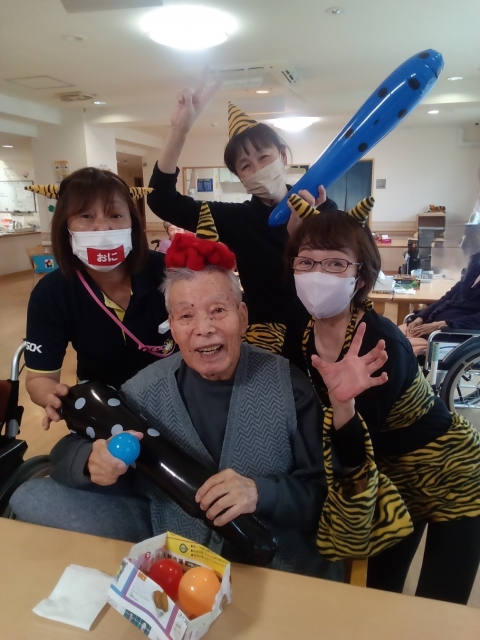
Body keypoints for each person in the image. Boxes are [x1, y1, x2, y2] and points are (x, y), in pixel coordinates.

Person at [11, 220, 386, 580]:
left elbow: (321, 496)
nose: (203, 328)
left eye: (218, 311)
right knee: (30, 496)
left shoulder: (289, 386)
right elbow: (63, 454)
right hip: (179, 574)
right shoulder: (143, 391)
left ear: (242, 316)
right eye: (186, 316)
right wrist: (89, 461)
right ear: (171, 327)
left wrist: (261, 492)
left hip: (278, 569)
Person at [284, 195, 480, 604]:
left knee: (439, 606)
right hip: (390, 476)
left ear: (360, 276)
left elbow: (356, 451)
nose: (318, 273)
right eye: (306, 261)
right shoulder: (303, 333)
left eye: (335, 263)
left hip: (451, 471)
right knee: (380, 596)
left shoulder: (379, 342)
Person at [147, 71, 337, 355]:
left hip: (324, 336)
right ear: (240, 177)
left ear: (283, 156)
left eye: (264, 157)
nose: (258, 169)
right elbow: (161, 199)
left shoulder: (322, 209)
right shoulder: (238, 220)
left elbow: (348, 269)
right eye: (246, 165)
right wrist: (179, 131)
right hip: (265, 343)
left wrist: (308, 236)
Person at [24, 168, 175, 431]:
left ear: (132, 223)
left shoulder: (168, 272)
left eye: (115, 215)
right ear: (65, 227)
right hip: (104, 407)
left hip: (177, 396)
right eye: (86, 216)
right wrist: (52, 395)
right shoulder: (51, 293)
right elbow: (39, 378)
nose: (103, 228)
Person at [401, 224, 480, 354]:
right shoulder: (475, 266)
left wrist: (442, 324)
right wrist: (421, 317)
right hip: (432, 327)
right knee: (388, 334)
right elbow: (447, 298)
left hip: (452, 335)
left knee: (395, 347)